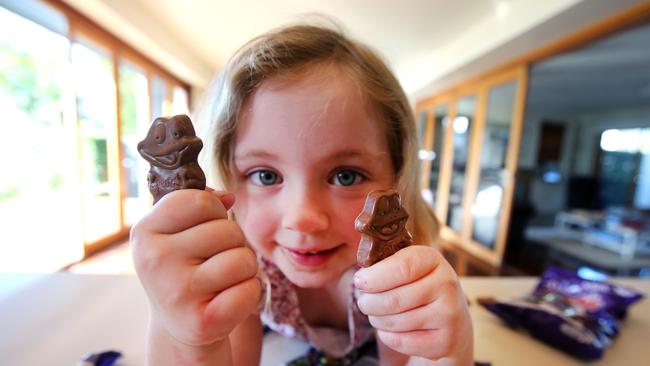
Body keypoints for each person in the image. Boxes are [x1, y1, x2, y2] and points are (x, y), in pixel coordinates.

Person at [130, 21, 473, 365]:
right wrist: (180, 333)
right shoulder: (244, 268)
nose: (304, 218)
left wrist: (447, 351)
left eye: (346, 175)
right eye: (265, 175)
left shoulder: (398, 265)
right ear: (227, 179)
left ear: (398, 176)